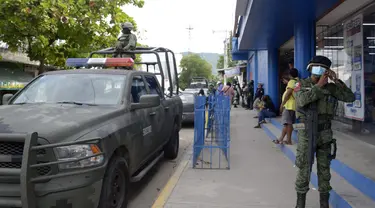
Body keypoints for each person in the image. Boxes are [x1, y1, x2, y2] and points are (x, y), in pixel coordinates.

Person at [293, 55, 355, 208]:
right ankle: (300, 204)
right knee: (304, 169)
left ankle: (324, 203)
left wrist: (336, 81)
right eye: (315, 68)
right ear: (309, 69)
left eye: (321, 69)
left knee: (324, 170)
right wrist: (318, 87)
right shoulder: (301, 84)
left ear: (327, 72)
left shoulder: (332, 88)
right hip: (306, 133)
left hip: (325, 134)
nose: (317, 72)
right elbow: (301, 101)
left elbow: (350, 97)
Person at [273, 68, 299, 145]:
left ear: (289, 75)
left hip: (289, 106)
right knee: (287, 123)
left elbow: (288, 94)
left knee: (288, 123)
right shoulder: (298, 81)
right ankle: (281, 138)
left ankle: (288, 140)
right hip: (293, 106)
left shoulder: (292, 82)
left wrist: (282, 104)